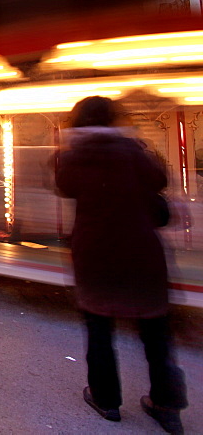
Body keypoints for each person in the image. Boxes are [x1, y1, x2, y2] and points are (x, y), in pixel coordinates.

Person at [56, 96, 187, 431]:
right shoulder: (132, 151)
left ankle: (106, 398)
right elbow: (159, 179)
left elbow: (63, 185)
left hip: (97, 254)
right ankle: (167, 404)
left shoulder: (73, 157)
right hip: (141, 252)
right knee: (156, 333)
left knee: (99, 329)